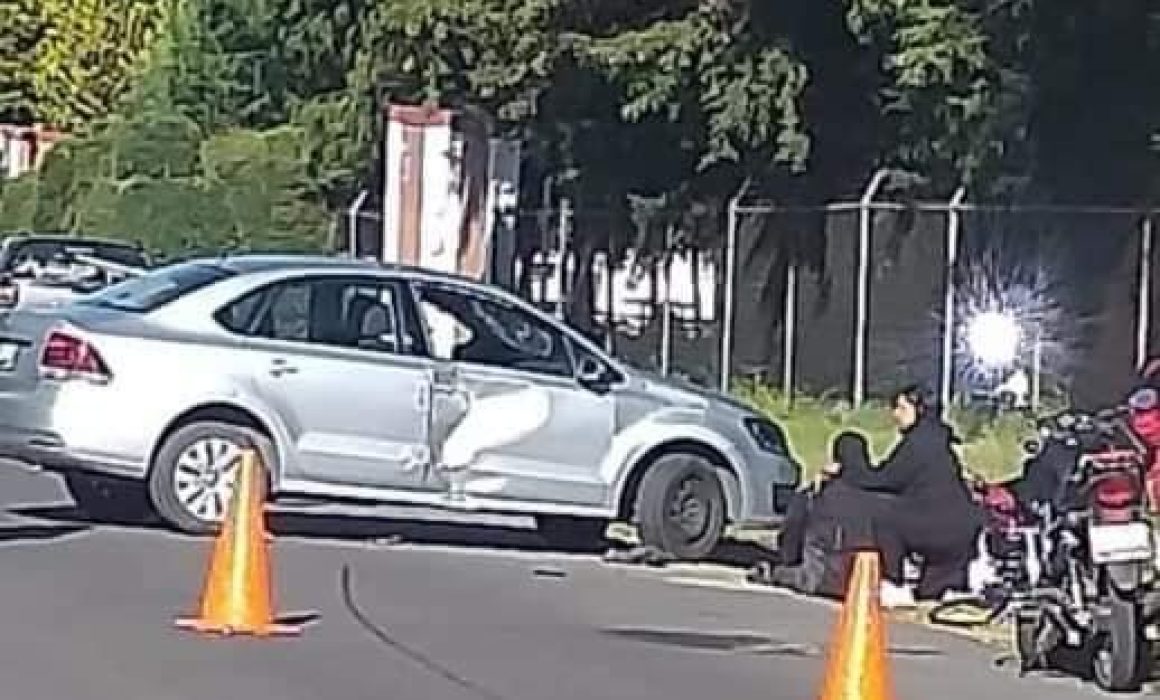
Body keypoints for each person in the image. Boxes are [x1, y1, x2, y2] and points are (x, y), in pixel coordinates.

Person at [835, 384, 983, 601]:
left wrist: (847, 465)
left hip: (935, 527)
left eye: (901, 408)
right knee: (933, 595)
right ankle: (946, 591)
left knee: (884, 514)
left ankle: (893, 584)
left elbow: (881, 479)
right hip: (964, 529)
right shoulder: (941, 441)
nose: (895, 415)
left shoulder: (918, 443)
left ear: (919, 409)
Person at [753, 431, 896, 599]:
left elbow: (792, 529)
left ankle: (773, 572)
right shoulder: (881, 497)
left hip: (820, 577)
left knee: (791, 572)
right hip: (866, 583)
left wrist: (816, 482)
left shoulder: (821, 495)